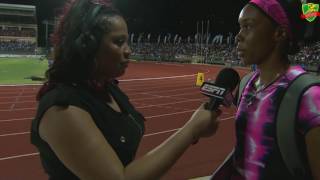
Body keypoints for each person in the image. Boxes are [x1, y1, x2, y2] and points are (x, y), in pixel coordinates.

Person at [30, 0, 221, 179]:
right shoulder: (62, 109)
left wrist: (194, 131)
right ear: (88, 45)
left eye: (127, 42)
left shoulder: (108, 89)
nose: (128, 50)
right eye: (118, 42)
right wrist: (190, 130)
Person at [211, 0, 320, 179]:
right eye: (240, 27)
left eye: (248, 26)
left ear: (279, 33)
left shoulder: (309, 96)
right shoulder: (247, 83)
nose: (238, 36)